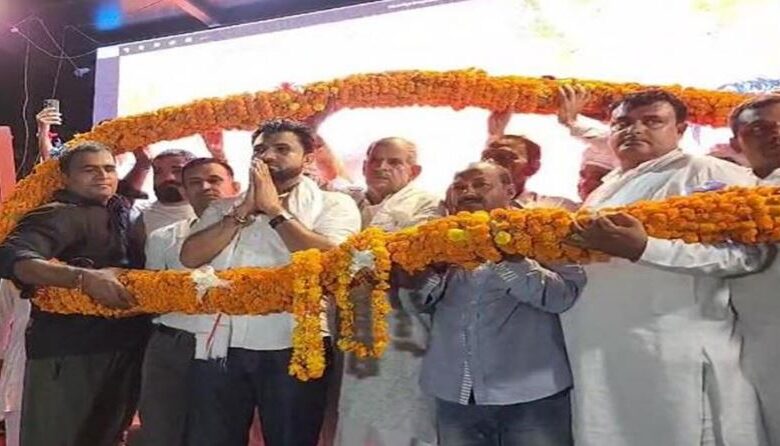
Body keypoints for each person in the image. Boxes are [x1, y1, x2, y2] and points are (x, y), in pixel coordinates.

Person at [561, 90, 769, 446]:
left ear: (681, 130)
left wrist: (645, 248)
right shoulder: (608, 186)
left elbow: (746, 256)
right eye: (622, 123)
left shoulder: (707, 171)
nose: (634, 130)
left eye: (652, 121)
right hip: (602, 348)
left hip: (671, 347)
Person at [179, 119, 361, 446]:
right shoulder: (225, 207)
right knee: (213, 438)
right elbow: (190, 256)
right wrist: (241, 212)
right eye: (260, 149)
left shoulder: (335, 204)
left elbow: (331, 261)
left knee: (291, 438)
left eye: (282, 149)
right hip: (222, 343)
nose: (268, 156)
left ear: (308, 159)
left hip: (293, 343)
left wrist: (275, 211)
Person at [412, 161, 584, 445]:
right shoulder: (435, 239)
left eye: (480, 184)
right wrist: (435, 269)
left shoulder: (543, 231)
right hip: (454, 392)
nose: (468, 192)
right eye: (460, 187)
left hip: (530, 392)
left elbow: (561, 297)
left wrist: (506, 258)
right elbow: (417, 303)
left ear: (510, 190)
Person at [0, 141, 150, 446]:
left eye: (109, 168)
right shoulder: (57, 213)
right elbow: (13, 257)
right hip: (71, 352)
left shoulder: (117, 209)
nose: (102, 176)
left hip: (123, 348)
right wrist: (83, 278)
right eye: (89, 170)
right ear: (65, 178)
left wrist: (143, 165)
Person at [336, 137, 443, 446]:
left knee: (404, 412)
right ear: (364, 166)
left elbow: (412, 255)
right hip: (354, 323)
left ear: (414, 170)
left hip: (403, 322)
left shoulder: (428, 203)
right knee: (355, 412)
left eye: (394, 162)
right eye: (375, 160)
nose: (382, 167)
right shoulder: (348, 202)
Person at [136, 158, 241, 446]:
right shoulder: (164, 237)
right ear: (184, 191)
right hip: (173, 343)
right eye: (195, 182)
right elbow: (153, 293)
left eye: (214, 180)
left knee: (216, 432)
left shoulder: (253, 235)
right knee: (161, 429)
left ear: (235, 187)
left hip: (230, 346)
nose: (205, 187)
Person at [728, 94, 780, 445]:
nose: (776, 133)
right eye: (759, 128)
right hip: (759, 343)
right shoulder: (726, 194)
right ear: (736, 143)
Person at [483, 111, 578, 210]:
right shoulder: (473, 204)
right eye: (486, 157)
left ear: (532, 168)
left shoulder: (555, 207)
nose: (491, 163)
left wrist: (574, 124)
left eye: (505, 156)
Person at [136, 149, 198, 235]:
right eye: (158, 172)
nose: (167, 178)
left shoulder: (212, 211)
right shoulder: (142, 217)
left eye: (177, 171)